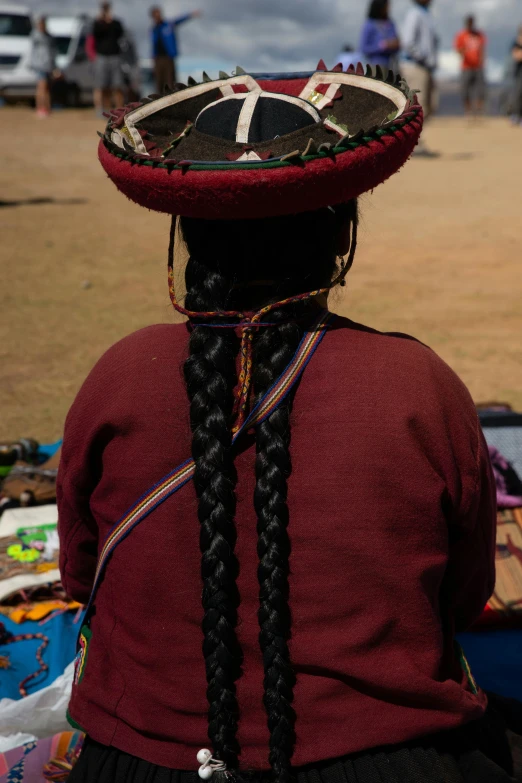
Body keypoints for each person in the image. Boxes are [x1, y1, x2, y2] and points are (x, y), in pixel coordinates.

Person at [60, 65, 522, 783]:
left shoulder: (119, 374)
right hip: (394, 764)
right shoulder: (417, 386)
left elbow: (81, 576)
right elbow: (460, 599)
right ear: (340, 236)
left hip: (141, 761)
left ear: (187, 239)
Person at [150, 5, 201, 93]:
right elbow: (153, 45)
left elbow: (180, 20)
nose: (157, 16)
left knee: (170, 80)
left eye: (158, 14)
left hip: (168, 57)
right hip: (158, 59)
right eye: (155, 15)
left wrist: (191, 14)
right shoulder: (153, 29)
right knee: (159, 82)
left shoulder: (168, 25)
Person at [401, 0, 438, 121]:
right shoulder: (414, 14)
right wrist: (422, 57)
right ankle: (412, 138)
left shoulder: (427, 14)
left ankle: (415, 137)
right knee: (417, 107)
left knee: (430, 105)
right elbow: (408, 42)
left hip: (426, 67)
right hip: (415, 66)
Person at [92, 2, 125, 114]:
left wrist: (110, 22)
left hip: (115, 57)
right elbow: (95, 34)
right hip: (102, 57)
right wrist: (101, 21)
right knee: (103, 86)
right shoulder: (97, 23)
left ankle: (120, 110)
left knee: (117, 85)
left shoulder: (116, 23)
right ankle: (107, 110)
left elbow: (120, 33)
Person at [454, 16, 487, 115]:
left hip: (478, 67)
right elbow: (458, 49)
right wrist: (463, 52)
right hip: (466, 66)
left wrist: (482, 61)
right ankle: (468, 111)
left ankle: (478, 110)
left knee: (480, 89)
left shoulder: (479, 35)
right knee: (465, 90)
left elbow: (483, 49)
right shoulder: (461, 35)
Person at [359, 0, 400, 71]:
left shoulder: (390, 23)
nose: (388, 9)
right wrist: (382, 46)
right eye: (386, 6)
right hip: (375, 66)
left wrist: (394, 44)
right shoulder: (369, 24)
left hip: (392, 66)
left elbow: (397, 42)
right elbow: (363, 48)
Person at [29, 16, 58, 118]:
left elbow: (53, 53)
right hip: (40, 65)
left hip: (48, 66)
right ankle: (40, 108)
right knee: (42, 87)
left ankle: (47, 108)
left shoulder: (49, 37)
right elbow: (32, 52)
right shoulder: (36, 36)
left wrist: (54, 66)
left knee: (46, 88)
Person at [510, 24, 522, 125]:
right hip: (519, 74)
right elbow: (517, 56)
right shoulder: (516, 43)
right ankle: (516, 116)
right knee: (518, 94)